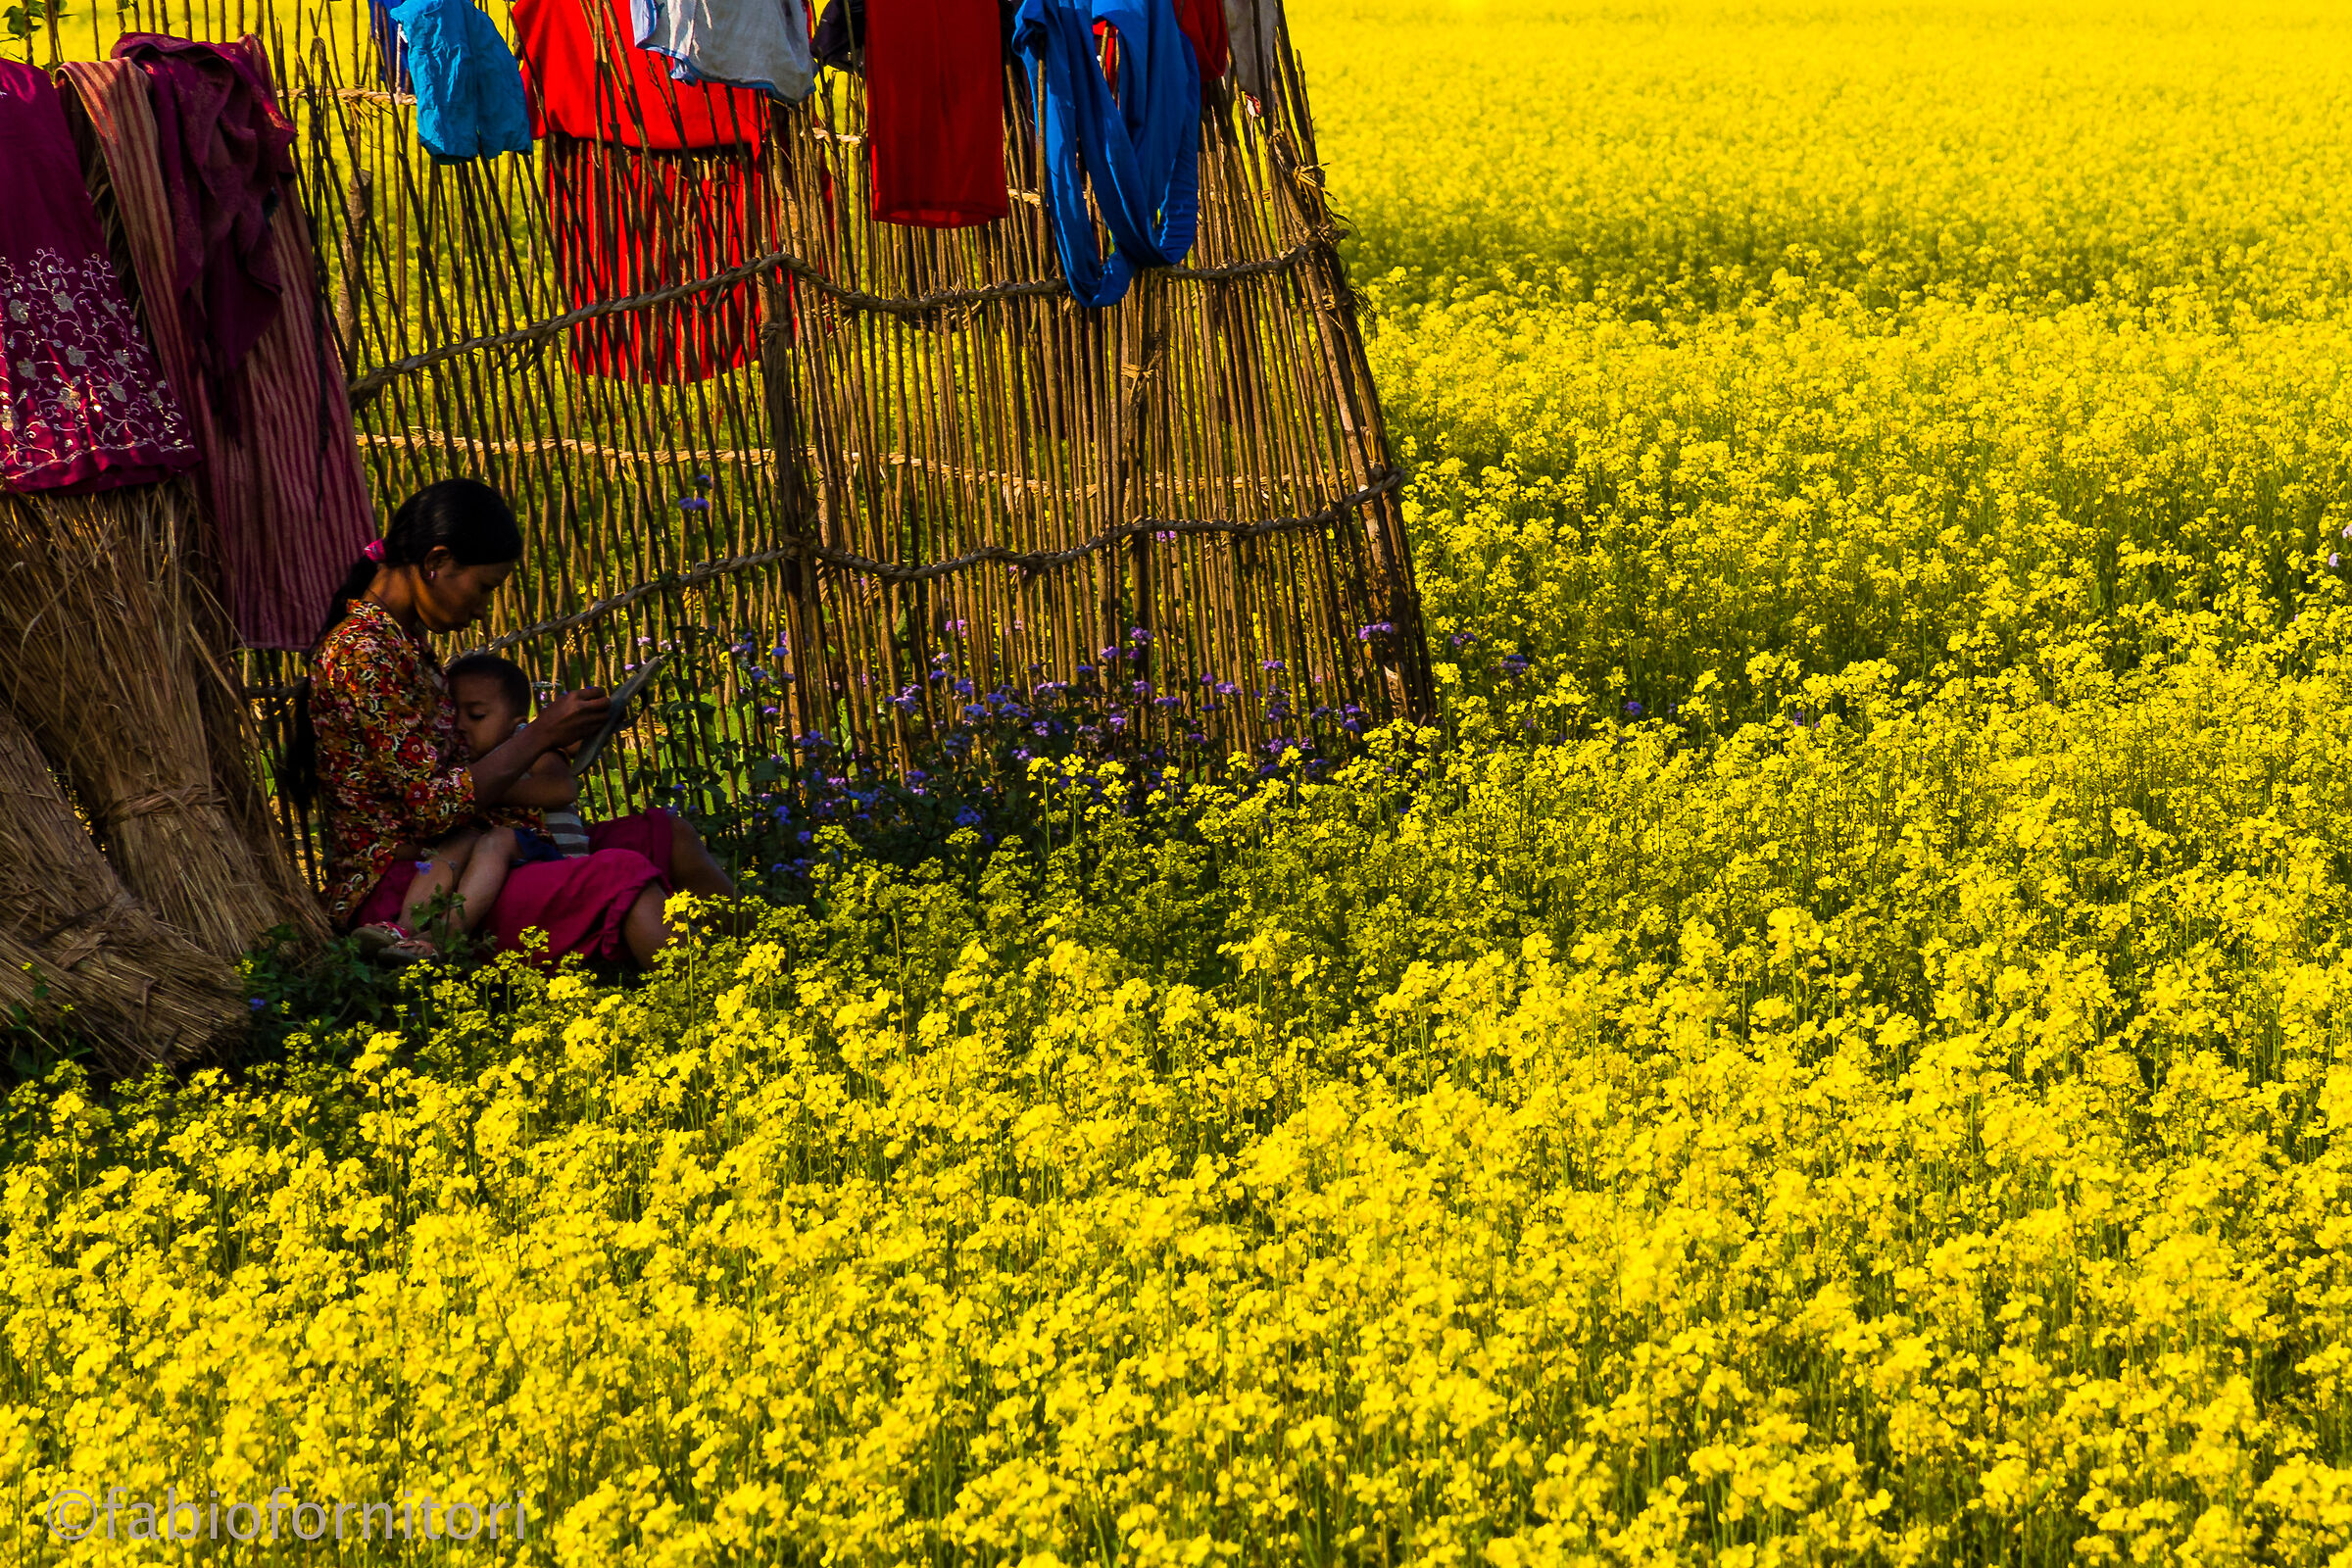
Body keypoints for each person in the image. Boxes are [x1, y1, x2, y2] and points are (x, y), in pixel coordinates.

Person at [287, 477, 735, 969]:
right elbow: (433, 810)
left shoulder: (403, 642)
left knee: (664, 833)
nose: (482, 610)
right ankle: (720, 1005)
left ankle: (767, 963)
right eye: (483, 589)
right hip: (413, 891)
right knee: (619, 874)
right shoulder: (364, 653)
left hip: (481, 856)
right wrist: (541, 734)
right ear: (436, 563)